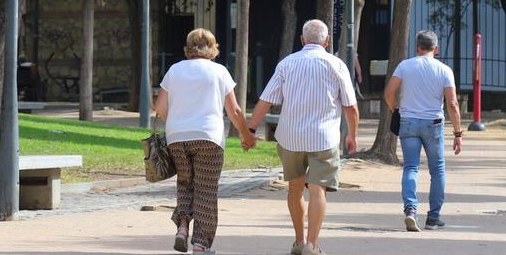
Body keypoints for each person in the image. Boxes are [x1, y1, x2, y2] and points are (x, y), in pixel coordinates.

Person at [245, 20, 358, 255]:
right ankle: (312, 245)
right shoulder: (336, 65)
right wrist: (352, 136)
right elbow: (351, 106)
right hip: (324, 138)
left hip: (290, 138)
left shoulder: (287, 64)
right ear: (326, 41)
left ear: (302, 39)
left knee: (295, 189)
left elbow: (266, 100)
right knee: (318, 191)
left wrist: (251, 130)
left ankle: (298, 241)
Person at [153, 28, 251, 254]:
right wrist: (246, 135)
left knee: (185, 183)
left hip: (177, 138)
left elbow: (159, 108)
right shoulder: (220, 72)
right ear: (212, 47)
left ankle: (182, 228)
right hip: (209, 138)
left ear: (189, 47)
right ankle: (201, 244)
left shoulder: (174, 70)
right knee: (206, 190)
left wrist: (176, 121)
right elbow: (234, 110)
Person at [383, 30, 463, 232]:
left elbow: (389, 93)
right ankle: (433, 217)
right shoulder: (444, 70)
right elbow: (452, 103)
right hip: (433, 124)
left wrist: (395, 109)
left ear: (417, 48)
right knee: (437, 171)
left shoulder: (405, 66)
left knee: (411, 167)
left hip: (408, 121)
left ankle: (410, 210)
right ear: (436, 49)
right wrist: (457, 133)